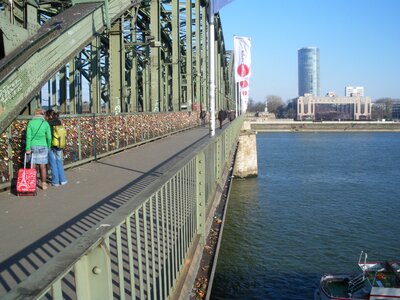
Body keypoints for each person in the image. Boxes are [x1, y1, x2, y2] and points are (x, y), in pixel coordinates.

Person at [25, 108, 52, 190]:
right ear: (42, 114)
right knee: (42, 167)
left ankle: (33, 184)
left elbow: (28, 137)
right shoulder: (45, 123)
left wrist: (27, 148)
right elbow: (49, 137)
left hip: (32, 146)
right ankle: (43, 184)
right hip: (43, 146)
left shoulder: (31, 122)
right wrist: (49, 146)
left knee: (33, 166)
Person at [46, 109, 68, 187]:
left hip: (52, 145)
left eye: (47, 116)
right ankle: (63, 180)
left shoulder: (48, 124)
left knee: (53, 163)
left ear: (50, 116)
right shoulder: (59, 122)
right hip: (60, 145)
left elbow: (49, 136)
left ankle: (55, 181)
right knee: (59, 162)